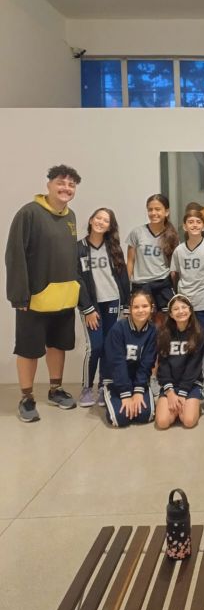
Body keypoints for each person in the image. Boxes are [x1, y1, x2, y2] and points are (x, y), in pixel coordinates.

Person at [6, 164, 82, 422]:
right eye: (61, 182)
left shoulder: (71, 217)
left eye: (71, 185)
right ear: (48, 184)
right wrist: (19, 295)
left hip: (64, 298)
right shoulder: (29, 213)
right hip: (34, 299)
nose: (66, 188)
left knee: (58, 345)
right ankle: (26, 398)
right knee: (28, 349)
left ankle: (55, 389)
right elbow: (14, 255)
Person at [77, 207, 130, 407]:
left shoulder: (113, 248)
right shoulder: (79, 248)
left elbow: (123, 278)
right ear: (91, 220)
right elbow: (76, 280)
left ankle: (103, 386)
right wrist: (87, 309)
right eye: (98, 218)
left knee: (109, 345)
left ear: (109, 227)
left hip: (113, 301)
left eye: (106, 220)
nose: (101, 222)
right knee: (95, 347)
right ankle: (86, 388)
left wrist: (126, 305)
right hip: (92, 305)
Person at [103, 290, 157, 427]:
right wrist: (125, 394)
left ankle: (139, 392)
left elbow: (147, 363)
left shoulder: (153, 331)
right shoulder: (118, 329)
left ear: (151, 308)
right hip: (115, 380)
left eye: (145, 306)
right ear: (130, 309)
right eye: (136, 307)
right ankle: (108, 393)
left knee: (145, 415)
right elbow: (117, 363)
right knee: (120, 418)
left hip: (137, 380)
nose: (141, 310)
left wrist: (138, 391)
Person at [155, 294, 204, 429]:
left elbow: (194, 366)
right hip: (171, 384)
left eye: (184, 307)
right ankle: (177, 407)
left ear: (190, 310)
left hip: (191, 384)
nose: (181, 311)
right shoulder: (163, 333)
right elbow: (163, 365)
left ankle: (194, 406)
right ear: (171, 314)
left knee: (188, 421)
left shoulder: (199, 334)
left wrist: (182, 393)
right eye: (176, 309)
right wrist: (170, 392)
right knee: (163, 422)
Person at [126, 194, 178, 320]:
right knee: (142, 323)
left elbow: (174, 267)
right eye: (150, 209)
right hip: (141, 286)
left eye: (158, 209)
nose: (153, 213)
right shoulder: (137, 233)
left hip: (163, 285)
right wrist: (127, 287)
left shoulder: (172, 235)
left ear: (166, 212)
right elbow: (130, 261)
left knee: (166, 324)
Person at [170, 203, 204, 328]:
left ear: (203, 227)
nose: (194, 225)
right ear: (184, 226)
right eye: (190, 222)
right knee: (187, 337)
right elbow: (174, 274)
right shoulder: (179, 250)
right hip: (184, 304)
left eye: (198, 222)